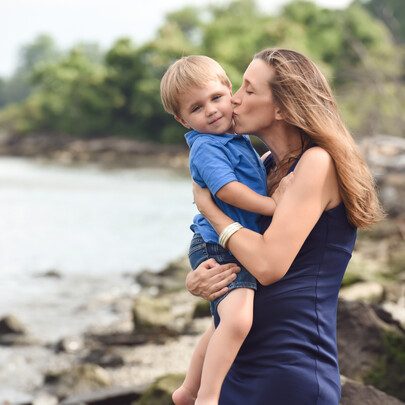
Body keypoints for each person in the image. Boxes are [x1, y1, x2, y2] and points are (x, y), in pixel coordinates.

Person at [188, 48, 385, 405]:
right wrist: (200, 279)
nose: (234, 98)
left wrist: (211, 211)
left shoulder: (317, 163)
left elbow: (267, 266)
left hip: (289, 371)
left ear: (281, 108)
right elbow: (239, 261)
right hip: (240, 365)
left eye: (248, 90)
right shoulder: (262, 168)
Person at [160, 55, 292, 405]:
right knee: (235, 321)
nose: (213, 110)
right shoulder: (207, 146)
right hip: (218, 246)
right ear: (181, 119)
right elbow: (226, 190)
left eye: (216, 98)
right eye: (197, 108)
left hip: (229, 241)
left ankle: (189, 390)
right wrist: (274, 205)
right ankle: (208, 396)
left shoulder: (235, 139)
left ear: (228, 91)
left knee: (224, 322)